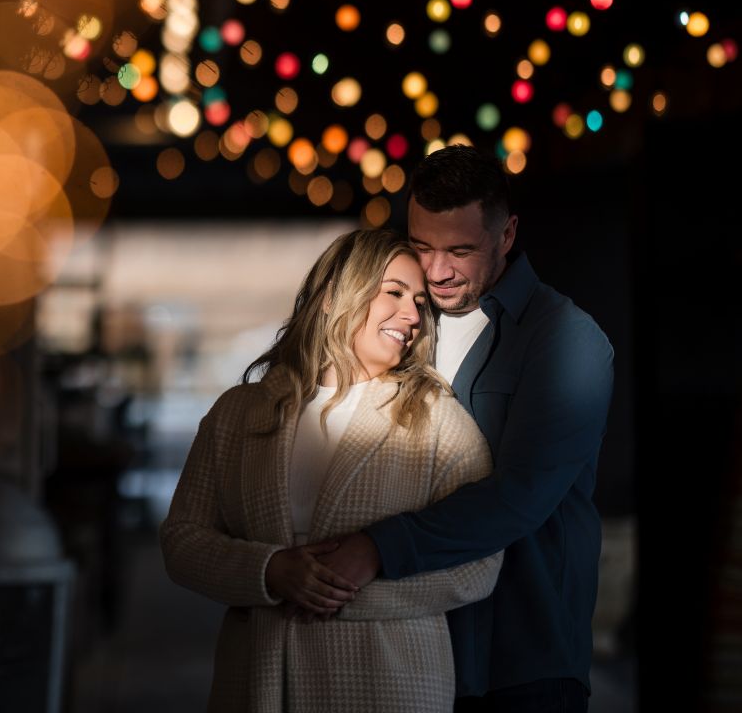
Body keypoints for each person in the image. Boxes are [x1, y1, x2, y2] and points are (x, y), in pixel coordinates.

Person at [313, 146, 614, 711]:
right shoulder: (401, 319)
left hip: (522, 655)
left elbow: (520, 498)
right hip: (408, 643)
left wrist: (377, 548)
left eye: (461, 250)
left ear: (507, 235)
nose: (437, 272)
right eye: (421, 246)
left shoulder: (566, 341)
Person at [161, 228, 502, 712]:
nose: (412, 316)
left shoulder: (437, 421)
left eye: (420, 302)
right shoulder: (237, 414)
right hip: (256, 683)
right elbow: (181, 540)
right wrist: (269, 570)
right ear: (332, 298)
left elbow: (482, 563)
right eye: (394, 294)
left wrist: (341, 592)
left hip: (391, 685)